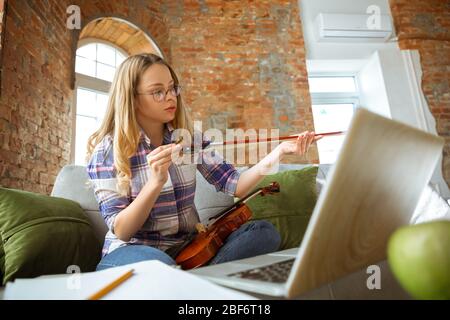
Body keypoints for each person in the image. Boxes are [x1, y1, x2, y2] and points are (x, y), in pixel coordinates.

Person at [86, 53, 320, 271]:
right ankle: (196, 281)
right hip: (132, 250)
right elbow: (122, 231)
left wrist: (278, 152)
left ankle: (188, 282)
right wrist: (155, 182)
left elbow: (234, 183)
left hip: (187, 248)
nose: (169, 97)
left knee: (264, 232)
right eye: (157, 92)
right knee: (159, 264)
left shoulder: (188, 138)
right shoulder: (107, 152)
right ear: (132, 99)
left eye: (171, 88)